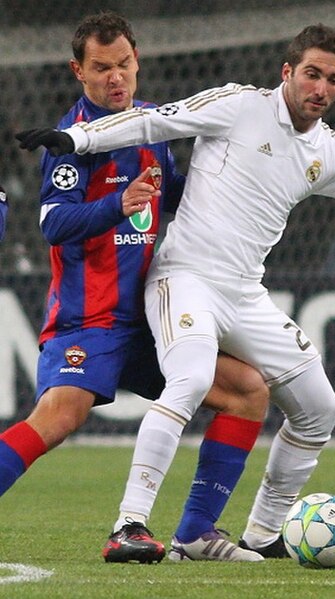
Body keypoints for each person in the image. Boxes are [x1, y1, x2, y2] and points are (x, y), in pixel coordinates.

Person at [16, 23, 335, 562]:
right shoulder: (238, 105)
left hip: (243, 294)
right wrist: (79, 139)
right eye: (312, 73)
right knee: (190, 378)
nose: (321, 88)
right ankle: (129, 525)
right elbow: (153, 122)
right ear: (287, 73)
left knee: (319, 408)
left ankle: (260, 533)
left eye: (333, 79)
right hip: (183, 278)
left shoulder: (329, 152)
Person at [4, 11, 269, 564]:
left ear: (137, 61)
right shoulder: (72, 139)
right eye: (101, 68)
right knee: (59, 417)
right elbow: (53, 223)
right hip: (91, 318)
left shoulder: (154, 123)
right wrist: (116, 205)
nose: (115, 77)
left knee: (248, 391)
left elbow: (175, 196)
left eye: (123, 64)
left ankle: (195, 534)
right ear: (79, 71)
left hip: (152, 316)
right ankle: (130, 527)